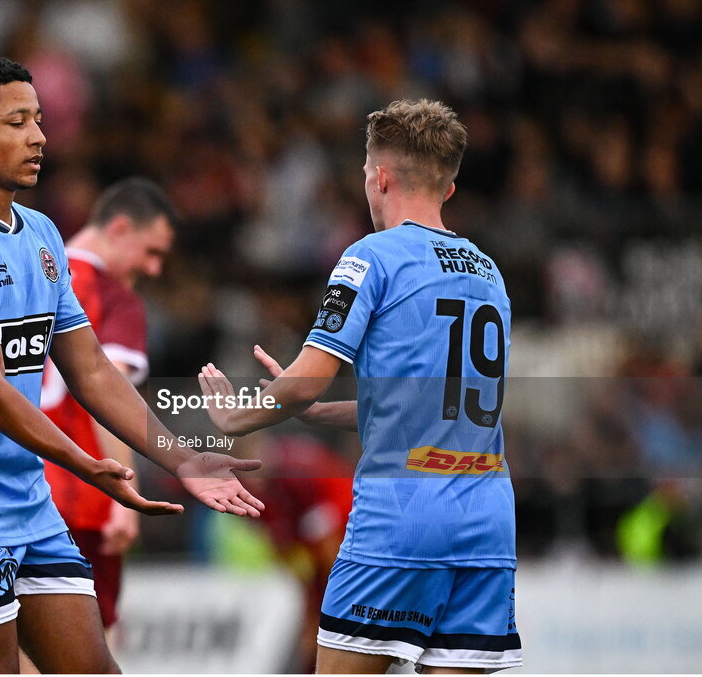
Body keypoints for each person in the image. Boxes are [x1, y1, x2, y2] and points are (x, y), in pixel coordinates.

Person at [0, 55, 263, 674]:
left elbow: (90, 371)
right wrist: (85, 463)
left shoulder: (40, 236)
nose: (39, 136)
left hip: (26, 498)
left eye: (39, 120)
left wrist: (183, 458)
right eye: (17, 122)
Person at [199, 100, 522, 673]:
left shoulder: (369, 258)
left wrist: (238, 415)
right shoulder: (488, 272)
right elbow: (439, 400)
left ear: (379, 177)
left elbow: (302, 380)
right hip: (486, 518)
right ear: (448, 189)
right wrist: (322, 411)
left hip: (403, 513)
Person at [38, 177, 175, 645]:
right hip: (82, 500)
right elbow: (107, 397)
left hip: (12, 494)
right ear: (118, 228)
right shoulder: (112, 298)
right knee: (85, 652)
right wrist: (125, 492)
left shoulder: (24, 275)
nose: (154, 269)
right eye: (151, 252)